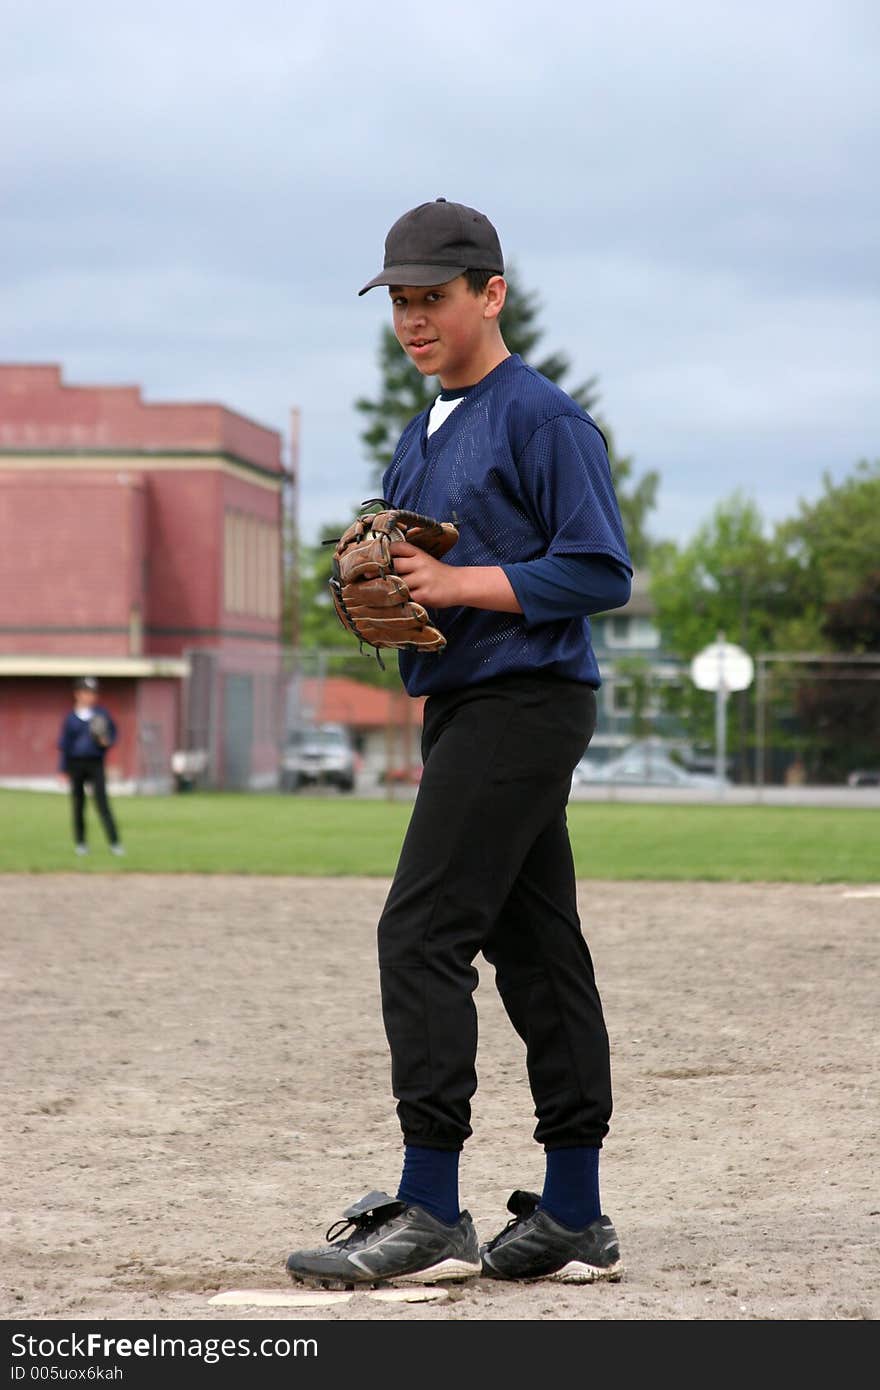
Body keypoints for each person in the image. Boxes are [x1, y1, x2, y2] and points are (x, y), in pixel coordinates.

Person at [287, 199, 632, 1288]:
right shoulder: (420, 429)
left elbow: (599, 570)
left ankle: (431, 1202)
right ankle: (572, 1210)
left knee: (421, 930)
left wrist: (456, 583)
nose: (412, 318)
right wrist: (382, 570)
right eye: (398, 299)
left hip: (523, 700)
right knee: (534, 945)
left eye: (432, 296)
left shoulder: (542, 420)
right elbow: (414, 562)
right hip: (470, 704)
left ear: (491, 292)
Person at [57, 677, 124, 857]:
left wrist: (107, 741)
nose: (90, 696)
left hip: (95, 763)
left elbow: (113, 733)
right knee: (78, 805)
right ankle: (81, 844)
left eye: (93, 693)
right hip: (76, 764)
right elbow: (65, 745)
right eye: (86, 692)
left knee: (102, 804)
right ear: (77, 694)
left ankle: (115, 843)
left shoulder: (101, 714)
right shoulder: (71, 718)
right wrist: (63, 770)